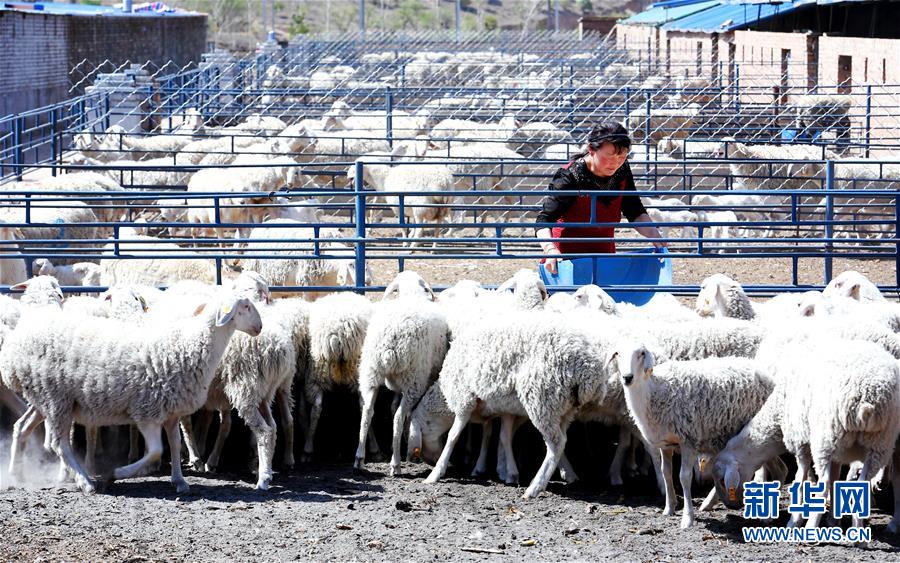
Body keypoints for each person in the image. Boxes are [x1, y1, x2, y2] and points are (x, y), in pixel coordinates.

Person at [535, 121, 666, 274]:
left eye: (622, 156)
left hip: (604, 256)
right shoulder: (570, 176)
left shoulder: (621, 169)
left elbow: (634, 210)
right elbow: (544, 220)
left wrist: (656, 236)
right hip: (566, 260)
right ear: (591, 149)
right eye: (609, 156)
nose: (615, 163)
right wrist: (550, 249)